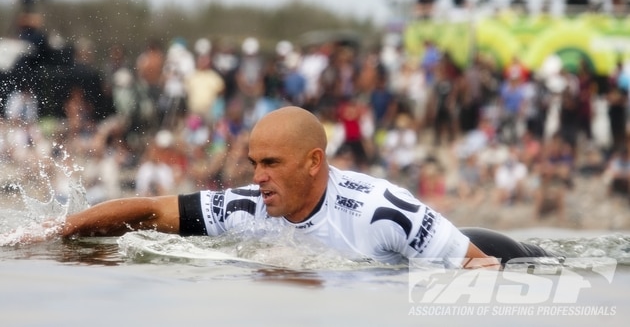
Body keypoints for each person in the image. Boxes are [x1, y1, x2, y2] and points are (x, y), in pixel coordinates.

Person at [55, 106, 553, 268]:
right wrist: (56, 230)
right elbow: (146, 214)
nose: (257, 177)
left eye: (271, 163)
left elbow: (479, 270)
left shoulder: (383, 210)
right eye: (254, 163)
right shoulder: (246, 206)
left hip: (494, 250)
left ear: (314, 163)